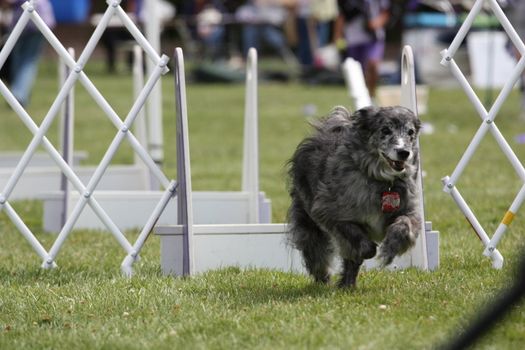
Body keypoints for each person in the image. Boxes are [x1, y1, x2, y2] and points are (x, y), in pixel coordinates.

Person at [1, 0, 55, 107]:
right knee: (26, 60)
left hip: (28, 20)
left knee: (25, 60)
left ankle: (18, 95)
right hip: (40, 19)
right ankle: (19, 93)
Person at [334, 0, 390, 99]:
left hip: (373, 37)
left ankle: (372, 96)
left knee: (373, 64)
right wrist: (338, 36)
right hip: (353, 39)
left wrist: (377, 23)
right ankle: (362, 100)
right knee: (358, 73)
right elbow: (341, 14)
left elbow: (386, 12)